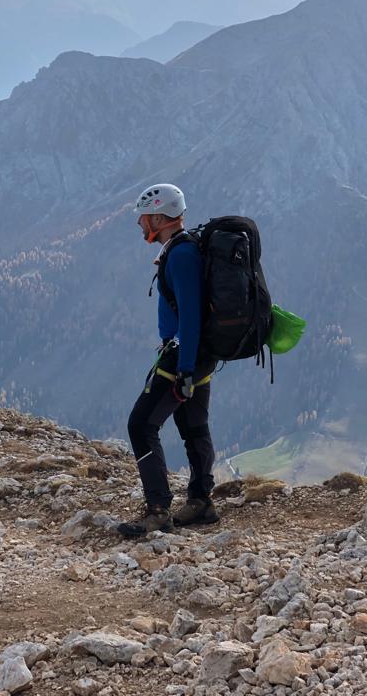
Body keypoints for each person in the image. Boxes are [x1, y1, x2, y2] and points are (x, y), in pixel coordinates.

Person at [117, 183, 220, 538]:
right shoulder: (181, 249)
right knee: (193, 424)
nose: (140, 223)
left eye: (144, 217)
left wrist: (185, 368)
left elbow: (190, 315)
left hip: (184, 355)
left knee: (141, 424)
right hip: (199, 353)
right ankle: (201, 501)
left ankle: (158, 509)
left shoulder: (181, 255)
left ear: (160, 218)